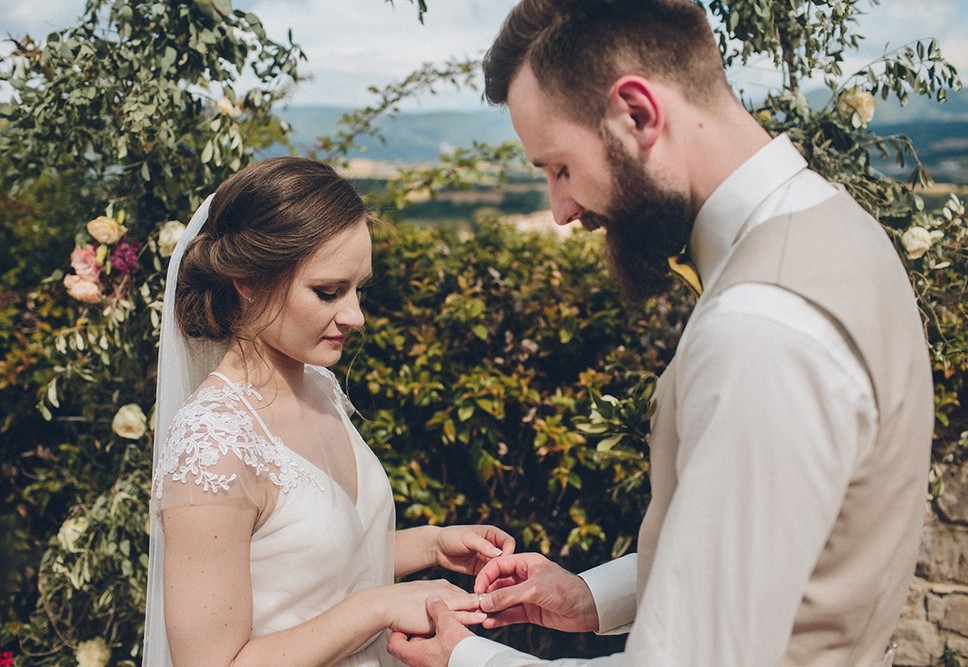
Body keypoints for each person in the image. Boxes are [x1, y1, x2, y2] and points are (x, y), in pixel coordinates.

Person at [386, 1, 933, 665]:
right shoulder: (834, 227)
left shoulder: (761, 324)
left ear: (637, 114)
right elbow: (761, 550)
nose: (561, 210)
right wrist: (593, 596)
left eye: (559, 167)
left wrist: (470, 659)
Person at [142, 157, 515, 667]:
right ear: (248, 280)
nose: (355, 316)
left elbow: (308, 558)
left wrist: (431, 544)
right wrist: (380, 606)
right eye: (328, 292)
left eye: (359, 288)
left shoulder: (319, 385)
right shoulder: (212, 445)